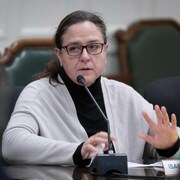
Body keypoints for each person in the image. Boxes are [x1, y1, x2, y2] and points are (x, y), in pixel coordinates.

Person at [2, 10, 180, 166]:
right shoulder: (38, 94)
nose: (85, 57)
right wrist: (78, 151)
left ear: (105, 51)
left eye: (94, 47)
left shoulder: (123, 93)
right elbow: (12, 145)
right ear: (60, 55)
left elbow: (164, 139)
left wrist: (170, 146)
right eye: (74, 48)